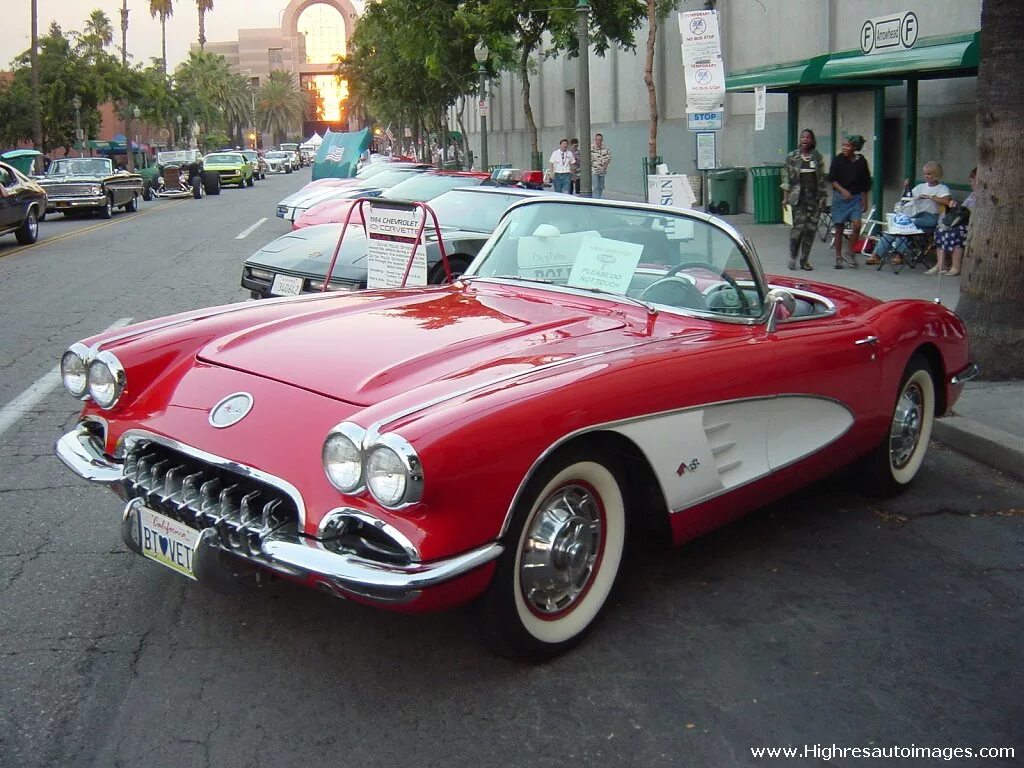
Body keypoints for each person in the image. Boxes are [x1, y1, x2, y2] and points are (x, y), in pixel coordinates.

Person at [868, 160, 951, 267]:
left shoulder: (942, 188)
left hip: (931, 217)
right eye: (925, 174)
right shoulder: (921, 187)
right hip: (916, 215)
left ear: (936, 174)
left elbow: (947, 202)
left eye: (929, 174)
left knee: (905, 225)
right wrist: (906, 189)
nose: (926, 176)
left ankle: (898, 254)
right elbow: (907, 199)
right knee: (900, 226)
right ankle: (878, 254)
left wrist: (930, 197)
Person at [781, 128, 828, 271]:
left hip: (814, 198)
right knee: (798, 229)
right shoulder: (792, 157)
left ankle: (805, 260)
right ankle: (793, 256)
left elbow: (821, 179)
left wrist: (823, 198)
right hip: (798, 198)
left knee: (810, 230)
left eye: (808, 137)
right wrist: (785, 197)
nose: (805, 139)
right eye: (802, 137)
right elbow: (786, 177)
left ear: (812, 140)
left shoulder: (817, 157)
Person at [827, 134, 872, 268]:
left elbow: (865, 182)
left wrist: (865, 200)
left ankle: (849, 251)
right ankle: (838, 257)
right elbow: (832, 180)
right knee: (839, 228)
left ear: (854, 147)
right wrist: (843, 191)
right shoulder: (838, 160)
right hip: (840, 198)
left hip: (856, 197)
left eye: (848, 145)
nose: (844, 148)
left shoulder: (861, 161)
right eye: (843, 145)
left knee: (857, 225)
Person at [929, 167, 976, 276]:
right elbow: (963, 208)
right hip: (962, 221)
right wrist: (955, 205)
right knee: (941, 229)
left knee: (956, 233)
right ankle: (941, 264)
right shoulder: (972, 195)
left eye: (974, 181)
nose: (972, 183)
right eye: (971, 181)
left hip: (970, 224)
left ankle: (956, 266)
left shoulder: (982, 196)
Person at [591, 133, 612, 199]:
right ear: (595, 140)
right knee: (596, 186)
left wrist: (606, 165)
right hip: (594, 170)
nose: (599, 141)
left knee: (601, 186)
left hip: (602, 171)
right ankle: (595, 199)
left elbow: (609, 157)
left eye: (600, 140)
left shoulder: (605, 148)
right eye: (597, 140)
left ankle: (598, 197)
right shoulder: (591, 148)